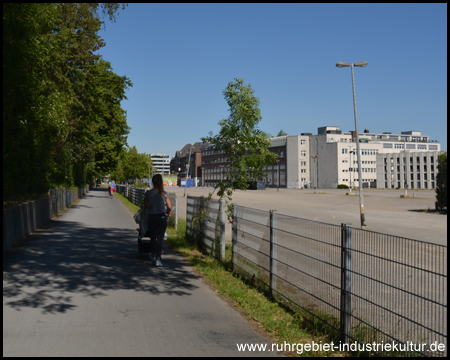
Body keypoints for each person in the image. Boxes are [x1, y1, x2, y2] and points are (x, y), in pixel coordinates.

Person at [144, 174, 172, 267]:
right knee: (160, 239)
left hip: (152, 217)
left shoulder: (148, 193)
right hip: (161, 218)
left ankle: (153, 255)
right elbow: (169, 206)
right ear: (161, 182)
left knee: (153, 238)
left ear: (152, 182)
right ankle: (158, 260)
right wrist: (167, 213)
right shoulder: (164, 193)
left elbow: (145, 206)